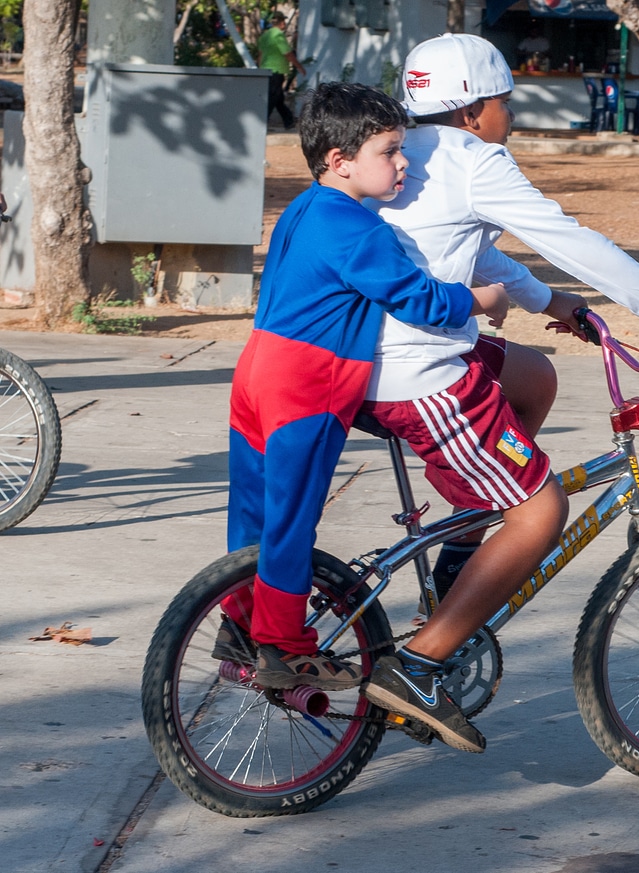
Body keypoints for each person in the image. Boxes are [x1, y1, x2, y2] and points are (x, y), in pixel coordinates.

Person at [359, 33, 639, 753]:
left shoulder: (407, 150)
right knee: (543, 509)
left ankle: (463, 557)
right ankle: (420, 662)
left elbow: (464, 246)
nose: (510, 118)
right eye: (506, 103)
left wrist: (549, 302)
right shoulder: (474, 160)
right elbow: (570, 237)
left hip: (371, 356)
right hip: (414, 372)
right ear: (472, 111)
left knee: (533, 378)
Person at [224, 82, 508, 692]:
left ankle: (239, 624)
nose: (403, 162)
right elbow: (420, 300)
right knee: (292, 521)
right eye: (390, 150)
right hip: (309, 384)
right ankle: (285, 649)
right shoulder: (359, 228)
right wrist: (482, 298)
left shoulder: (303, 209)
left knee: (253, 510)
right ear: (340, 161)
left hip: (256, 368)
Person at [257, 11, 307, 130]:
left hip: (266, 70)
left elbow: (259, 54)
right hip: (276, 70)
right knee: (273, 98)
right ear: (280, 22)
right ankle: (262, 123)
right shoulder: (278, 35)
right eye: (283, 21)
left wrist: (259, 70)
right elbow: (287, 53)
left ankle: (289, 121)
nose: (284, 23)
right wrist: (299, 67)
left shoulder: (265, 36)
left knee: (278, 98)